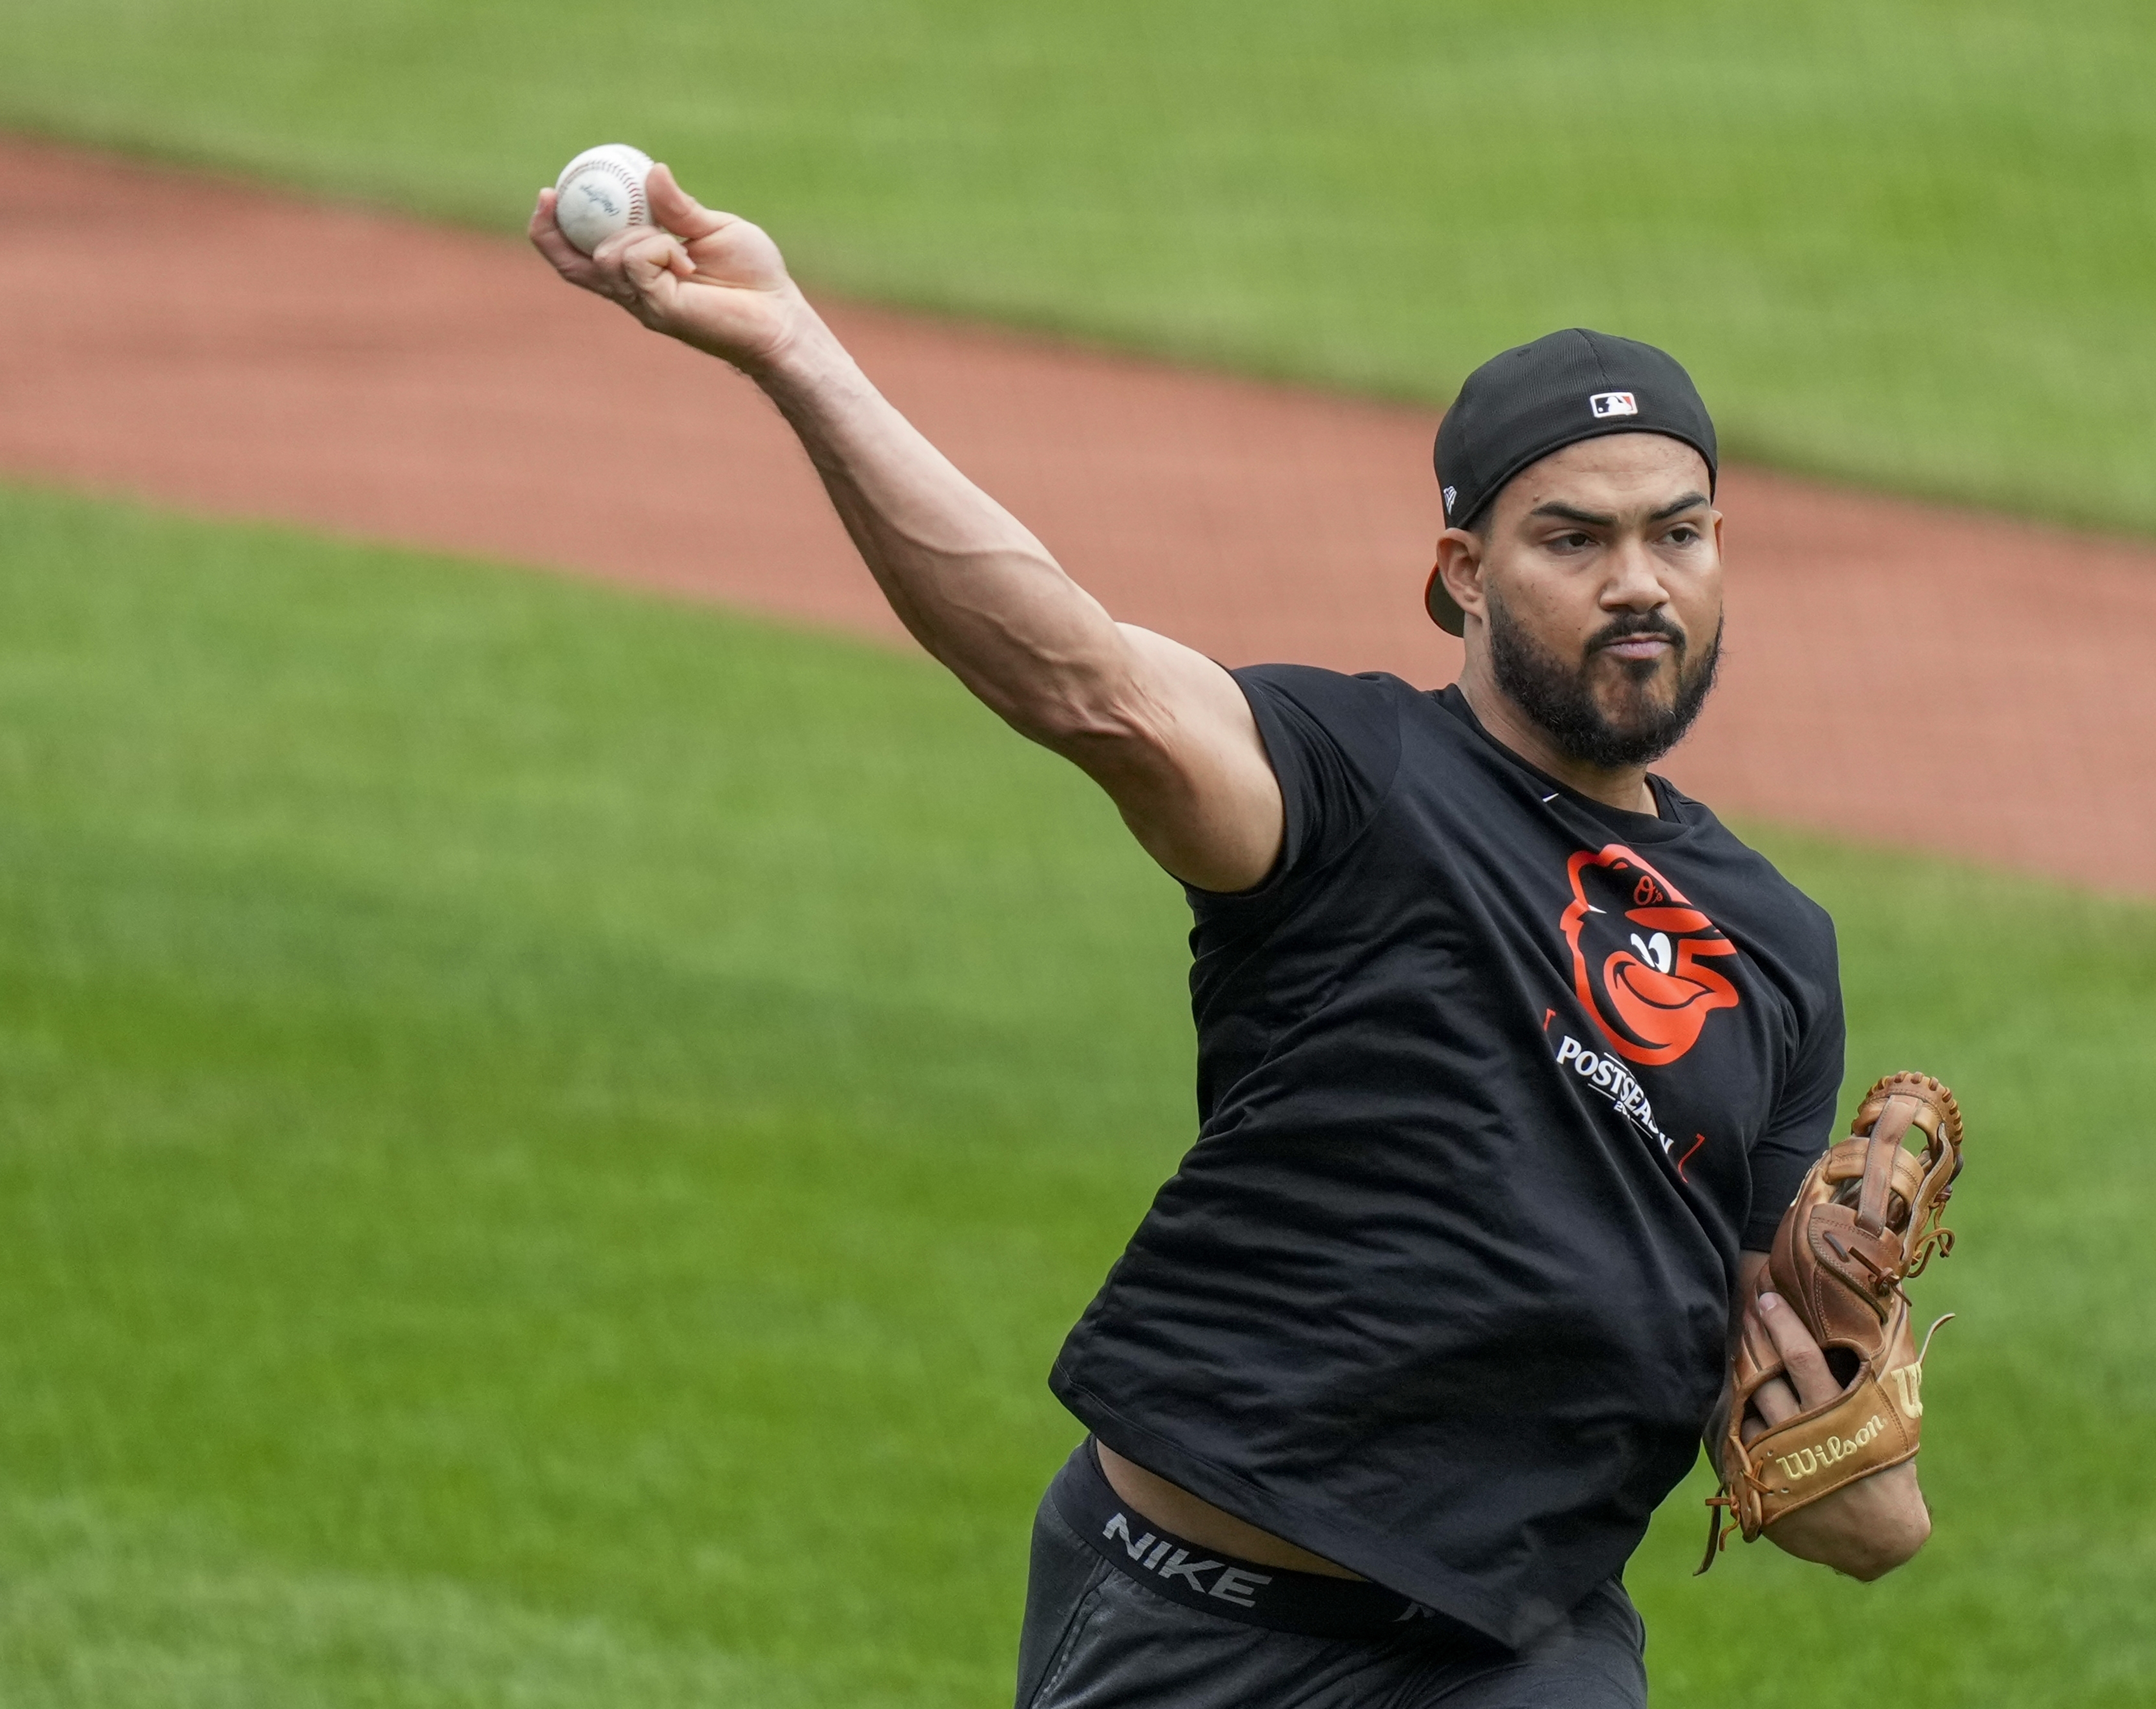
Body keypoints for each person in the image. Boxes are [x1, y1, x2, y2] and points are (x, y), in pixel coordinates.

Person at [532, 165, 1933, 1708]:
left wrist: (1855, 1474)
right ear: (1462, 575)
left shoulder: (1780, 948)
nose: (1637, 587)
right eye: (1574, 541)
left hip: (1521, 1655)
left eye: (1679, 536)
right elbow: (1082, 679)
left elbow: (1780, 1345)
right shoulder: (1355, 777)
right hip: (1199, 1629)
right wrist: (794, 346)